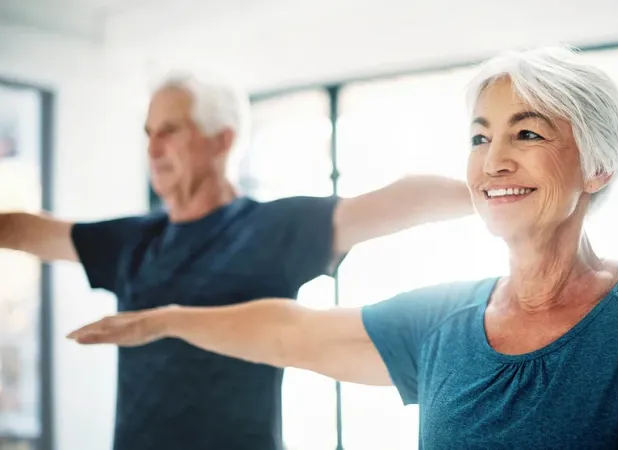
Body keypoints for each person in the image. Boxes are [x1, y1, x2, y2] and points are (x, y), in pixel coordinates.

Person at [67, 48, 618, 449]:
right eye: (481, 136)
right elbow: (293, 331)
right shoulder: (446, 321)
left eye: (528, 133)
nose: (493, 159)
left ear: (599, 164)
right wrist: (163, 319)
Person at [0, 72, 475, 450]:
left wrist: (502, 193)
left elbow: (400, 200)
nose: (152, 149)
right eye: (148, 133)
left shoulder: (272, 228)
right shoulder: (134, 240)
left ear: (221, 140)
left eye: (169, 131)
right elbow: (26, 230)